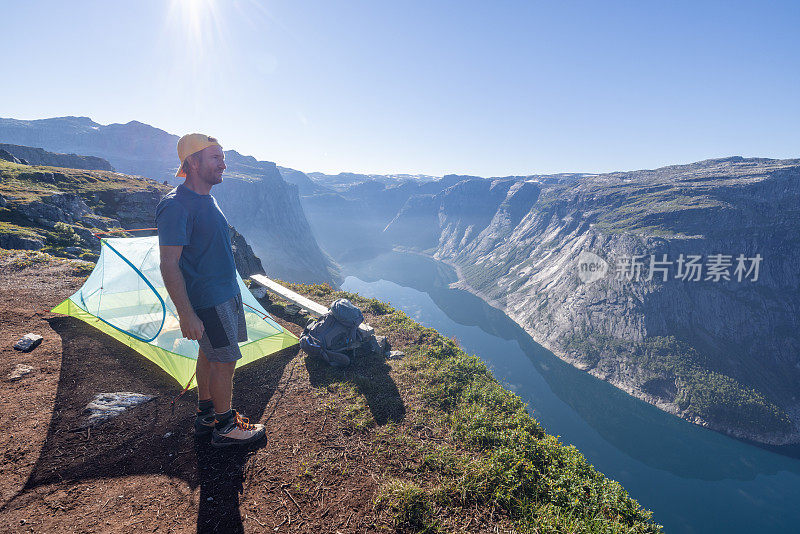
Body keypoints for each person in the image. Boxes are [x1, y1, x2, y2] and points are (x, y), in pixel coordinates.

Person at [155, 133, 265, 448]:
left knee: (210, 353)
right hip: (208, 300)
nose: (224, 165)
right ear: (193, 161)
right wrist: (186, 313)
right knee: (225, 361)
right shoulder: (176, 206)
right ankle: (226, 426)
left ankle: (207, 413)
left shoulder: (207, 197)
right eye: (216, 157)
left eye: (222, 157)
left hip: (225, 294)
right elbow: (169, 264)